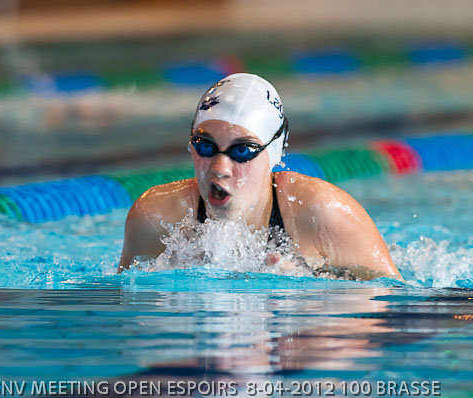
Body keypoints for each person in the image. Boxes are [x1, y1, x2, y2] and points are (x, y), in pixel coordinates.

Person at [118, 73, 402, 280]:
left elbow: (392, 303)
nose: (220, 167)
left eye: (242, 150)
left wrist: (310, 291)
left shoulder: (324, 214)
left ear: (274, 153)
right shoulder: (156, 218)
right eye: (205, 145)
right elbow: (127, 310)